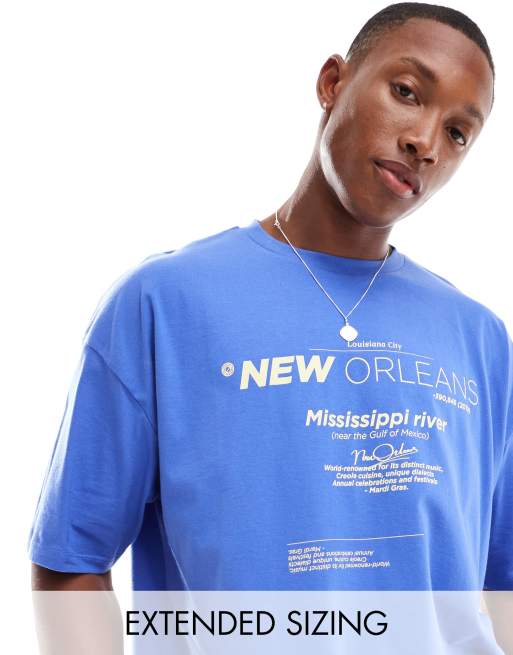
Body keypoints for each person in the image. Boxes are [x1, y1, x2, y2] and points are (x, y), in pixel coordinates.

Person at [29, 1, 512, 651]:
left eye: (457, 133)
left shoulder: (479, 339)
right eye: (406, 92)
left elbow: (501, 585)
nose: (424, 143)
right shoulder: (165, 303)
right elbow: (72, 558)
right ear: (332, 82)